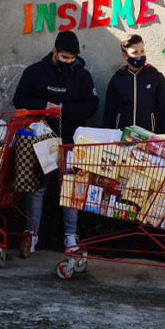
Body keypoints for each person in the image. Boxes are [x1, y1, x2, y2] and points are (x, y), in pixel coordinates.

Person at [12, 30, 98, 253]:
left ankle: (70, 236)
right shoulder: (35, 72)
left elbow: (91, 106)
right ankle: (32, 233)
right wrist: (43, 106)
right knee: (36, 186)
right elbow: (19, 99)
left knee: (69, 186)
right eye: (64, 57)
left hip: (70, 138)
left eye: (72, 58)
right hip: (39, 139)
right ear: (54, 51)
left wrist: (64, 110)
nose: (69, 62)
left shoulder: (82, 76)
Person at [102, 33, 165, 133]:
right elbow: (109, 112)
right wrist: (107, 136)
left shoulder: (156, 77)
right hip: (121, 137)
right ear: (125, 55)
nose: (140, 55)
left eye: (142, 51)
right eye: (135, 52)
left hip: (151, 137)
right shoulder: (117, 79)